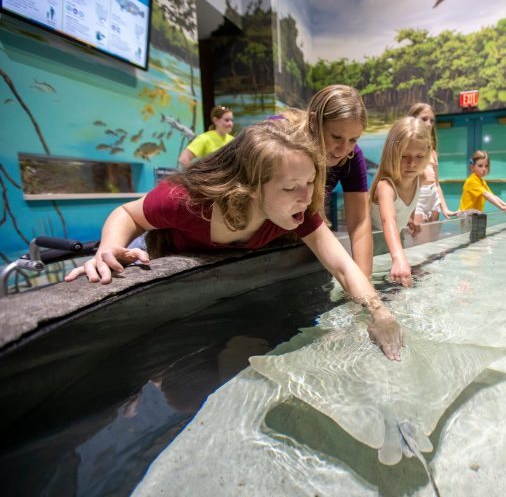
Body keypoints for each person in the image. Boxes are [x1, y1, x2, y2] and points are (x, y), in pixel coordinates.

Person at [65, 120, 403, 361]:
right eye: (289, 188)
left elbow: (342, 266)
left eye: (311, 182)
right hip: (158, 253)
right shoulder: (187, 200)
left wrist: (379, 312)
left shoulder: (300, 211)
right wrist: (107, 248)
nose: (306, 197)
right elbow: (128, 213)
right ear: (250, 187)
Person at [277, 85, 373, 277]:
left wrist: (365, 282)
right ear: (313, 121)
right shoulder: (279, 137)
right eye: (336, 137)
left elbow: (359, 221)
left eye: (353, 139)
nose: (343, 149)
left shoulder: (352, 156)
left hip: (302, 234)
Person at [369, 117, 432, 288]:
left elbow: (406, 204)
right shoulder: (385, 186)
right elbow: (387, 219)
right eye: (404, 156)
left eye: (419, 156)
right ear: (392, 153)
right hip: (374, 249)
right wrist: (398, 257)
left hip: (397, 241)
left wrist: (410, 218)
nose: (412, 163)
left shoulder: (420, 178)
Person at [407, 103, 456, 224]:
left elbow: (437, 183)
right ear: (413, 120)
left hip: (433, 197)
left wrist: (444, 208)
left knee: (433, 240)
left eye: (432, 120)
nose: (429, 124)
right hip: (417, 196)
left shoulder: (433, 152)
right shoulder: (406, 148)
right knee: (418, 240)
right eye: (424, 119)